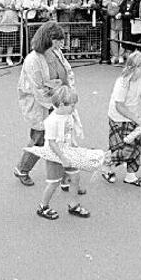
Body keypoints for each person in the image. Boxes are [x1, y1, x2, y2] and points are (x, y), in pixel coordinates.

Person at [14, 22, 76, 186]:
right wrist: (55, 106)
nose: (61, 43)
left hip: (60, 101)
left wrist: (69, 93)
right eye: (58, 40)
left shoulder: (57, 53)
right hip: (41, 105)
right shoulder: (32, 60)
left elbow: (68, 72)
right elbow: (38, 89)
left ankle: (63, 175)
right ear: (48, 39)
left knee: (61, 138)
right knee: (39, 138)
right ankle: (22, 169)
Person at [35, 85, 92, 220]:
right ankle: (43, 206)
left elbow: (69, 131)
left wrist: (73, 143)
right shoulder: (52, 121)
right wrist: (63, 158)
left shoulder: (68, 115)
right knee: (54, 182)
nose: (74, 108)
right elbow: (52, 143)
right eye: (72, 105)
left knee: (75, 177)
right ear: (61, 105)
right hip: (55, 155)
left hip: (68, 151)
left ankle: (73, 204)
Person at [101, 51, 141, 188]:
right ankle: (105, 163)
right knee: (123, 147)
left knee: (135, 145)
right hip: (118, 118)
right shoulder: (122, 82)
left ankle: (131, 176)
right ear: (132, 67)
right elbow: (119, 106)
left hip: (132, 117)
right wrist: (137, 119)